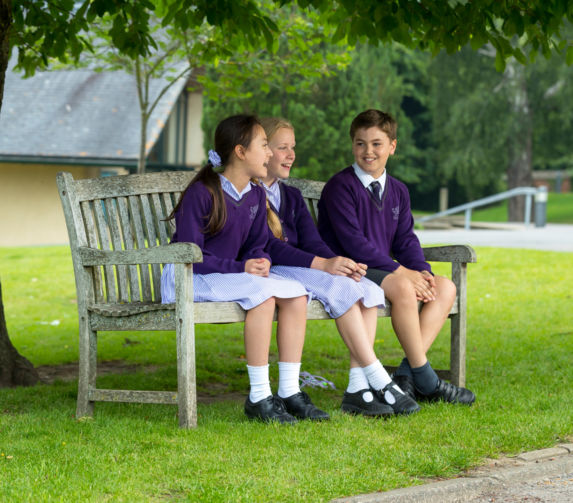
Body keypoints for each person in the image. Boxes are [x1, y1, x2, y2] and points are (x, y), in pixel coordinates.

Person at [161, 114, 329, 423]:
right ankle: (259, 397)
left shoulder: (255, 195)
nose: (269, 153)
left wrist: (258, 259)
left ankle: (290, 391)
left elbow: (257, 242)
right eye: (264, 145)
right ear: (240, 151)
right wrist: (242, 266)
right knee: (263, 296)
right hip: (189, 277)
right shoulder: (203, 192)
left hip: (228, 276)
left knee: (296, 292)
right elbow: (190, 255)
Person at [259, 117, 420, 417]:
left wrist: (334, 261)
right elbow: (268, 245)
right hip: (277, 271)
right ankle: (378, 378)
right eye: (283, 148)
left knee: (365, 286)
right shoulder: (252, 195)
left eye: (293, 147)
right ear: (262, 151)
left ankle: (358, 389)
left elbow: (312, 240)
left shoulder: (290, 196)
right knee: (342, 286)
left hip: (303, 268)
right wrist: (323, 264)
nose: (292, 154)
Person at [317, 109, 475, 405]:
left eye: (377, 143)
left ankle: (405, 376)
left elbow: (405, 239)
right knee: (403, 287)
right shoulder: (341, 187)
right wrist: (402, 272)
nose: (368, 151)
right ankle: (426, 379)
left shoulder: (399, 191)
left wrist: (421, 271)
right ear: (352, 145)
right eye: (360, 143)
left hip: (383, 269)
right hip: (349, 268)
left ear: (392, 146)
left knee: (445, 288)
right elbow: (353, 244)